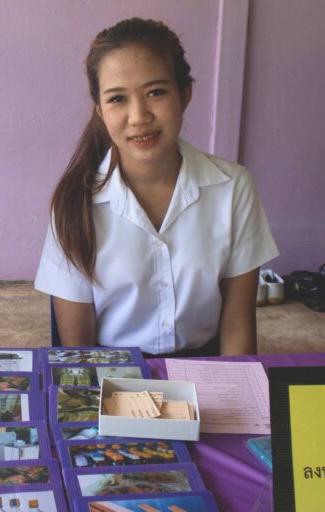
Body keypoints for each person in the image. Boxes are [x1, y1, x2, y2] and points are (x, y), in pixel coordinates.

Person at [34, 18, 278, 357]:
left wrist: (231, 397)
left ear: (185, 94)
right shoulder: (73, 204)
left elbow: (237, 327)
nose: (139, 116)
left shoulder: (233, 188)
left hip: (206, 369)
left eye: (156, 92)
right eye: (118, 98)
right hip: (110, 375)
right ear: (100, 111)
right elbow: (78, 350)